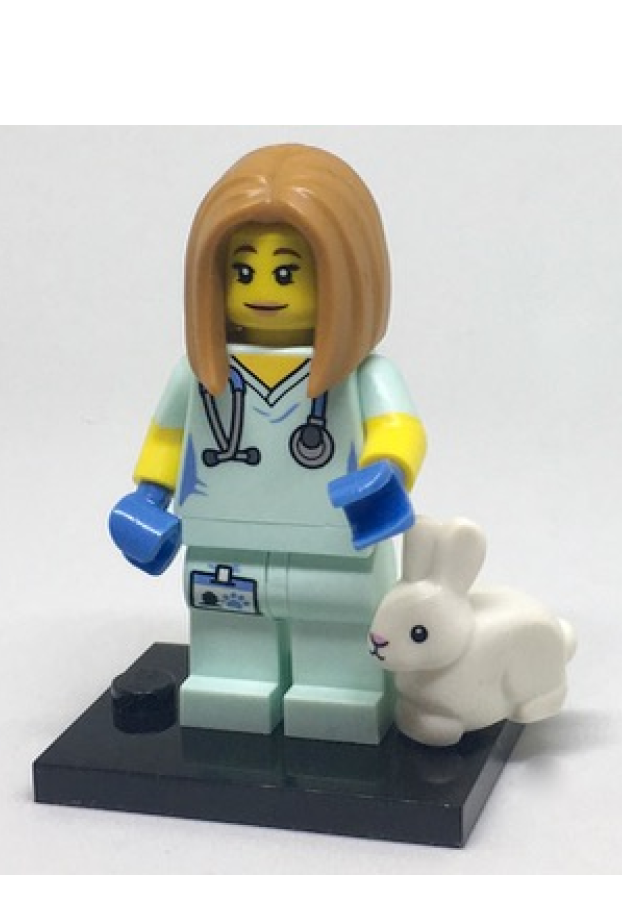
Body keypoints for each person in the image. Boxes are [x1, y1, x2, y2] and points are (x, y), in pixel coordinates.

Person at [109, 144, 426, 744]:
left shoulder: (362, 377)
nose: (261, 289)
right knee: (229, 630)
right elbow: (170, 435)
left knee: (334, 627)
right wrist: (148, 498)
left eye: (287, 272)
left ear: (345, 275)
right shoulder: (199, 373)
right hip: (223, 537)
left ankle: (341, 693)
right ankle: (231, 684)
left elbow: (399, 428)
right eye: (241, 271)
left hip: (333, 541)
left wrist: (386, 471)